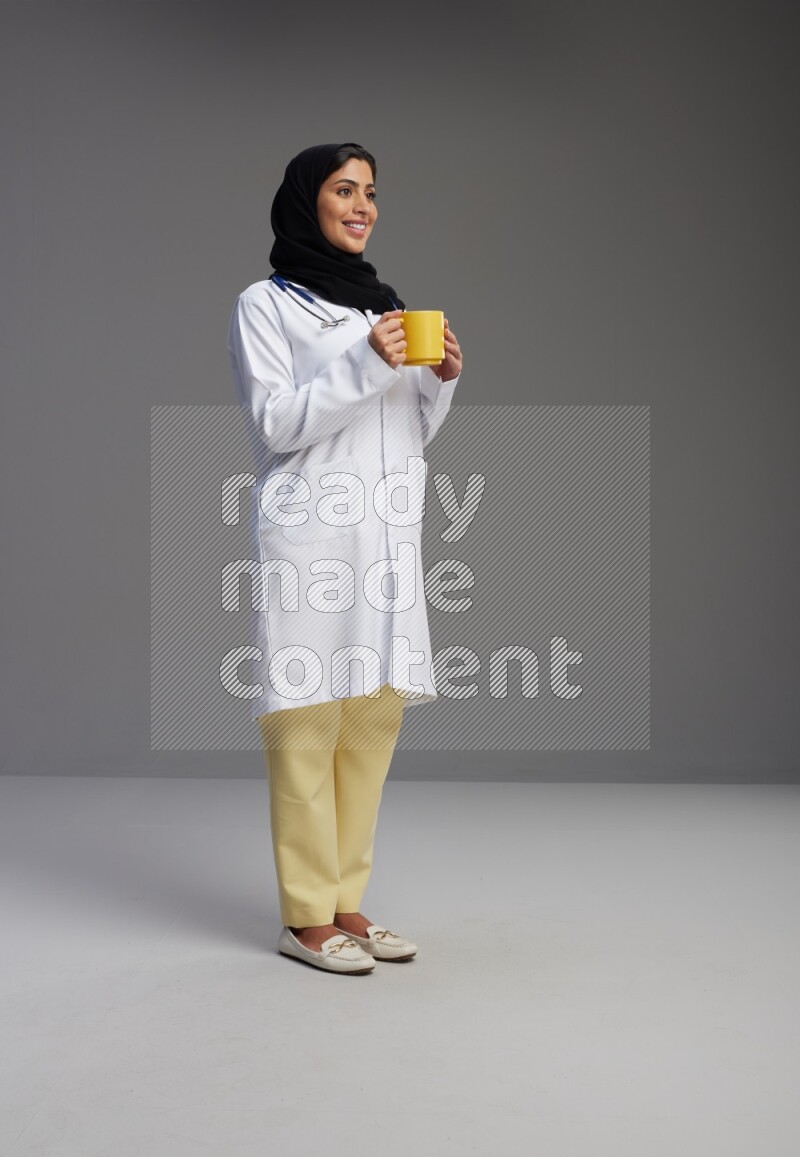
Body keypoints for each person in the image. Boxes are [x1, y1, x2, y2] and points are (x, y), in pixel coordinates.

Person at [227, 142, 463, 974]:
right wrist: (371, 361)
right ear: (307, 201)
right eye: (343, 189)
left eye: (370, 192)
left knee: (370, 719)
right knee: (305, 721)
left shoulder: (383, 307)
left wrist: (435, 381)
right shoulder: (267, 304)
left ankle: (348, 902)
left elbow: (402, 434)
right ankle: (304, 915)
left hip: (386, 540)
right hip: (313, 542)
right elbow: (278, 425)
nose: (362, 205)